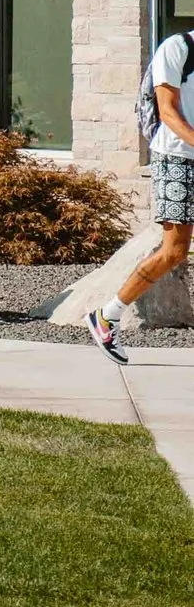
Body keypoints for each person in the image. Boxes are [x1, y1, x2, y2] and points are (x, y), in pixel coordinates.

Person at [89, 27, 194, 362]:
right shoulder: (178, 47)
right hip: (176, 157)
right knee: (174, 251)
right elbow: (168, 111)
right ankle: (108, 316)